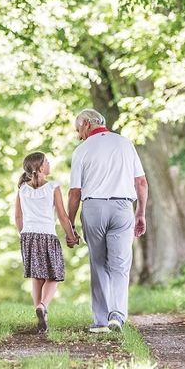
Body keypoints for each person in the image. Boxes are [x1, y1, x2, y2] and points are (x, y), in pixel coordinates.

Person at [67, 109, 148, 333]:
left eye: (78, 130)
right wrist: (140, 213)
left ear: (86, 124)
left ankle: (101, 321)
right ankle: (117, 316)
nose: (78, 135)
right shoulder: (124, 143)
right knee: (120, 265)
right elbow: (141, 182)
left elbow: (74, 192)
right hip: (123, 207)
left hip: (93, 208)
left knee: (99, 263)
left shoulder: (81, 150)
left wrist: (70, 224)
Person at [14, 151, 80, 333]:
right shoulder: (52, 187)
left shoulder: (22, 189)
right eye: (47, 162)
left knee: (37, 276)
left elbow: (18, 217)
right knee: (54, 275)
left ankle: (40, 316)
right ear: (41, 167)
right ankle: (43, 306)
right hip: (47, 235)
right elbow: (62, 216)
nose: (50, 164)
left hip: (28, 236)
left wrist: (24, 236)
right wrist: (72, 236)